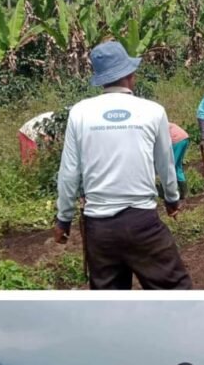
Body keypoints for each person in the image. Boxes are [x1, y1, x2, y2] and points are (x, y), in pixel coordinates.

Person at [54, 40, 191, 290]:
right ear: (130, 74)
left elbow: (69, 173)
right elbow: (165, 164)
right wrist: (172, 200)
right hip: (142, 223)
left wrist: (63, 220)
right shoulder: (153, 111)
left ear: (101, 78)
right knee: (176, 291)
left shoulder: (80, 112)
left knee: (109, 300)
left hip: (99, 230)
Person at [169, 122, 190, 199]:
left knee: (171, 166)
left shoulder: (152, 126)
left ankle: (170, 192)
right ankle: (184, 192)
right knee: (177, 166)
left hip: (176, 139)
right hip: (184, 137)